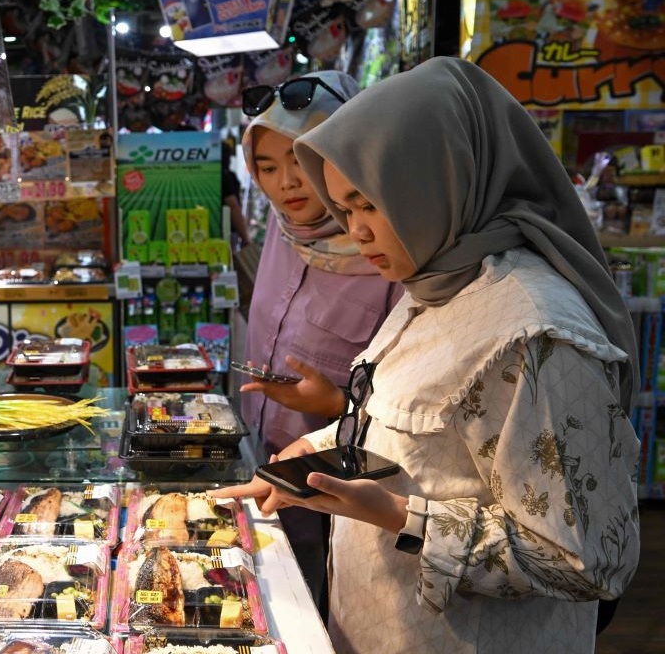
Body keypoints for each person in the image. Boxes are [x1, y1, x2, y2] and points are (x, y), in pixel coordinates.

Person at [214, 57, 640, 653]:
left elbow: (585, 558)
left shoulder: (534, 332)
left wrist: (399, 516)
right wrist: (316, 449)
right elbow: (415, 420)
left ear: (440, 181)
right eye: (345, 209)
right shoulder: (437, 283)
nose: (356, 231)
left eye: (369, 204)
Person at [237, 70, 403, 608]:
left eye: (304, 159)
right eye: (268, 166)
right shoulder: (283, 232)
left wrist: (332, 404)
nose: (288, 182)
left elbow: (408, 408)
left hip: (346, 507)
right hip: (264, 475)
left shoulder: (395, 250)